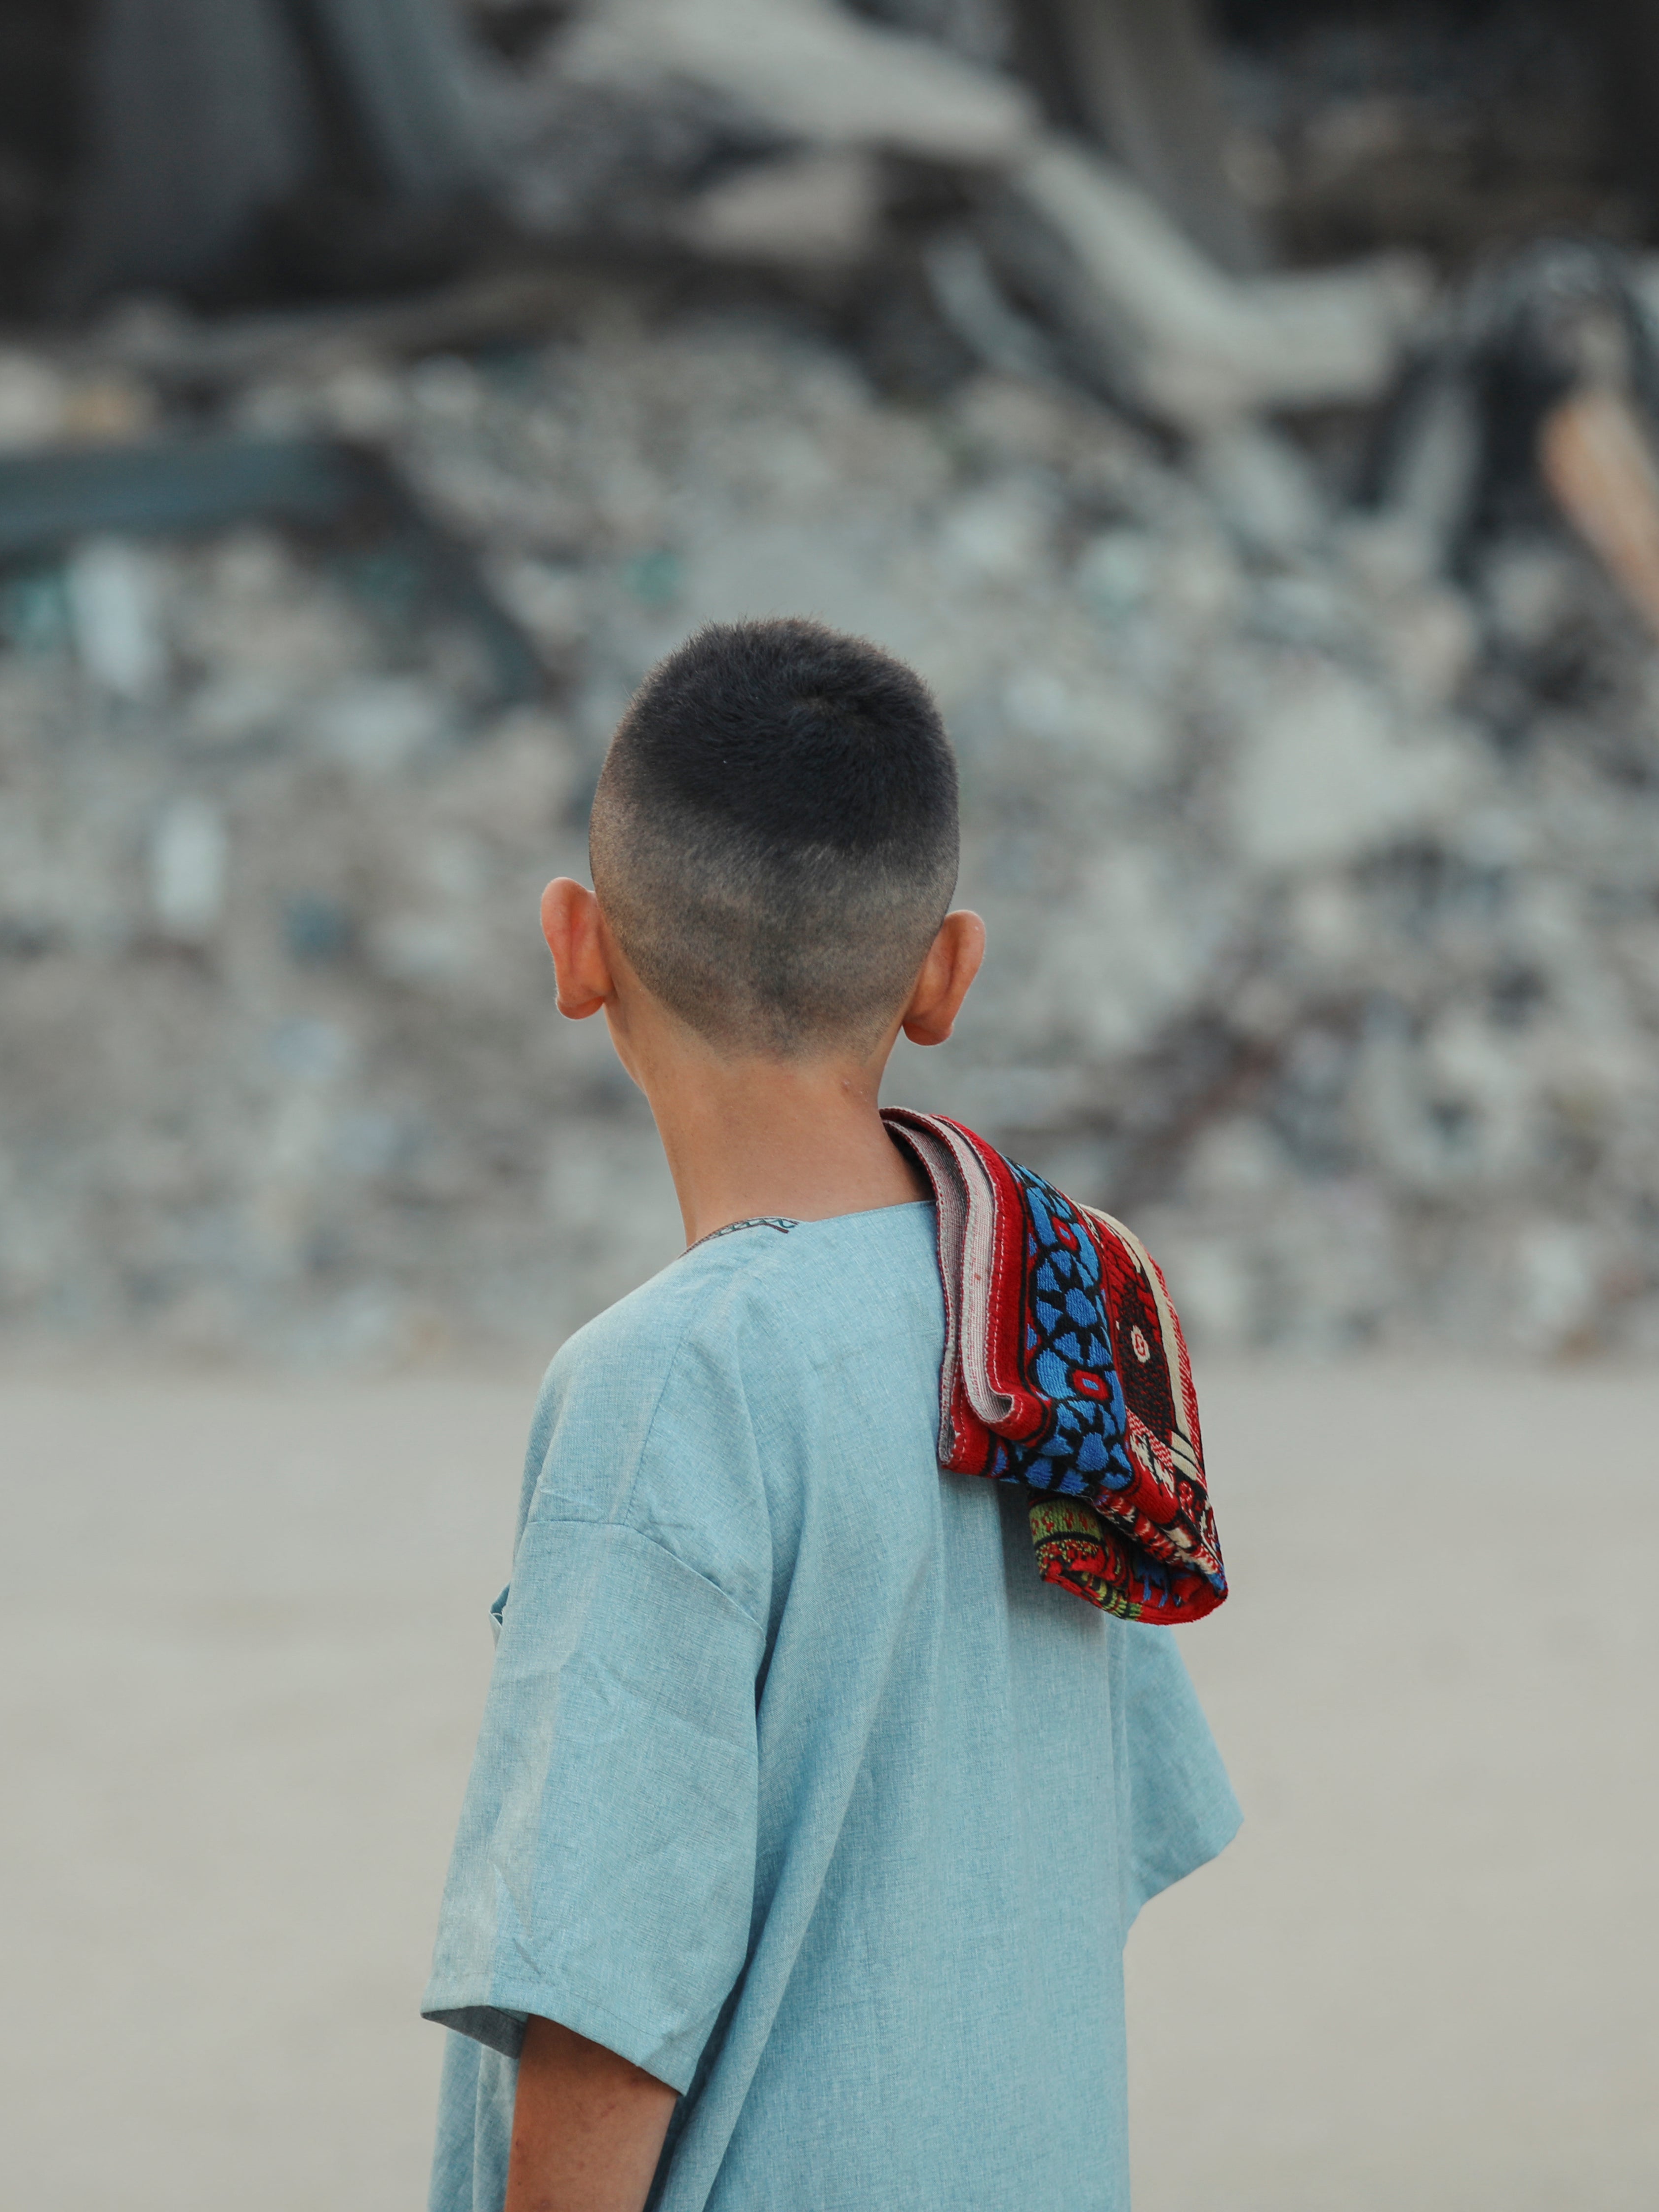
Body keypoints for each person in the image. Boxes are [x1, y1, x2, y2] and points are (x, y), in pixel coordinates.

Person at [422, 618, 1240, 2212]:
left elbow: (601, 2001)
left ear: (574, 946)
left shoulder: (670, 1383)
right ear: (945, 975)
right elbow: (1100, 1833)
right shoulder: (1055, 1317)